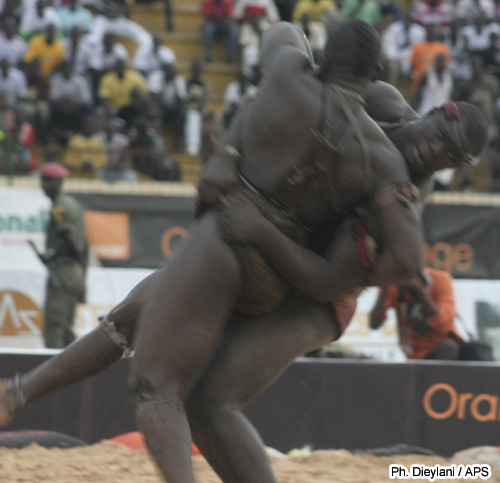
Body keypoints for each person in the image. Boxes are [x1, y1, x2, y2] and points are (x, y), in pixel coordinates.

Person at [0, 22, 488, 482]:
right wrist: (229, 153)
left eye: (452, 158)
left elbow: (331, 280)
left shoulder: (399, 197)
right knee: (131, 315)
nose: (434, 154)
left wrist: (260, 230)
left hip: (313, 296)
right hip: (266, 240)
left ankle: (19, 393)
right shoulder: (376, 102)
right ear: (429, 112)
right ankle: (17, 394)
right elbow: (266, 101)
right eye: (439, 138)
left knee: (208, 401)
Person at [38, 162, 88, 348]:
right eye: (43, 180)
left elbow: (67, 237)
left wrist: (52, 254)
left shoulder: (59, 206)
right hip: (75, 271)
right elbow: (84, 246)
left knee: (54, 325)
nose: (44, 185)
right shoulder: (73, 204)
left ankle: (53, 371)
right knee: (67, 327)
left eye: (49, 181)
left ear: (59, 183)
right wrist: (82, 276)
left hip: (63, 269)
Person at [369, 267, 463, 360]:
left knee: (447, 347)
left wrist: (419, 291)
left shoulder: (440, 280)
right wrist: (384, 288)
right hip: (413, 354)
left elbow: (444, 325)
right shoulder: (395, 285)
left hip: (440, 349)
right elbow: (374, 324)